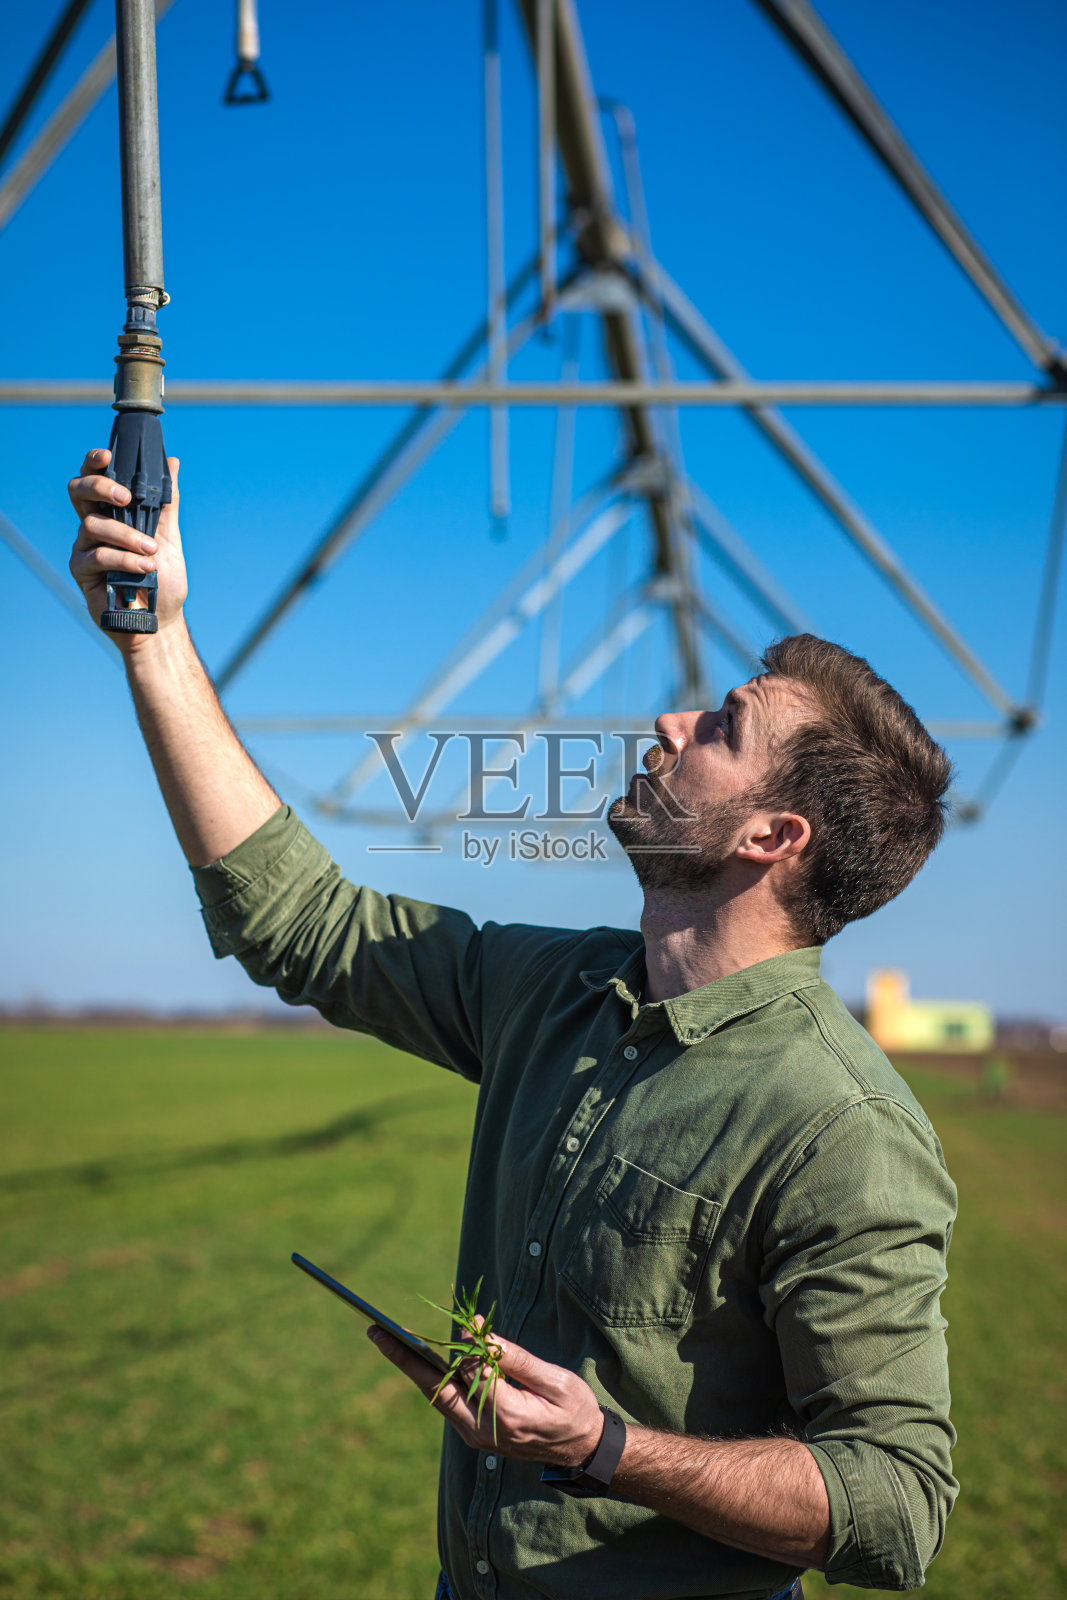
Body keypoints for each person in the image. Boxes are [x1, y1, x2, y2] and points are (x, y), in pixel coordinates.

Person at [68, 448, 958, 1600]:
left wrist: (607, 1448)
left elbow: (895, 1504)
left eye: (720, 725)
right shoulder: (554, 991)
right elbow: (306, 921)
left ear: (768, 837)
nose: (669, 717)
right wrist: (157, 644)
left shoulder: (841, 1128)